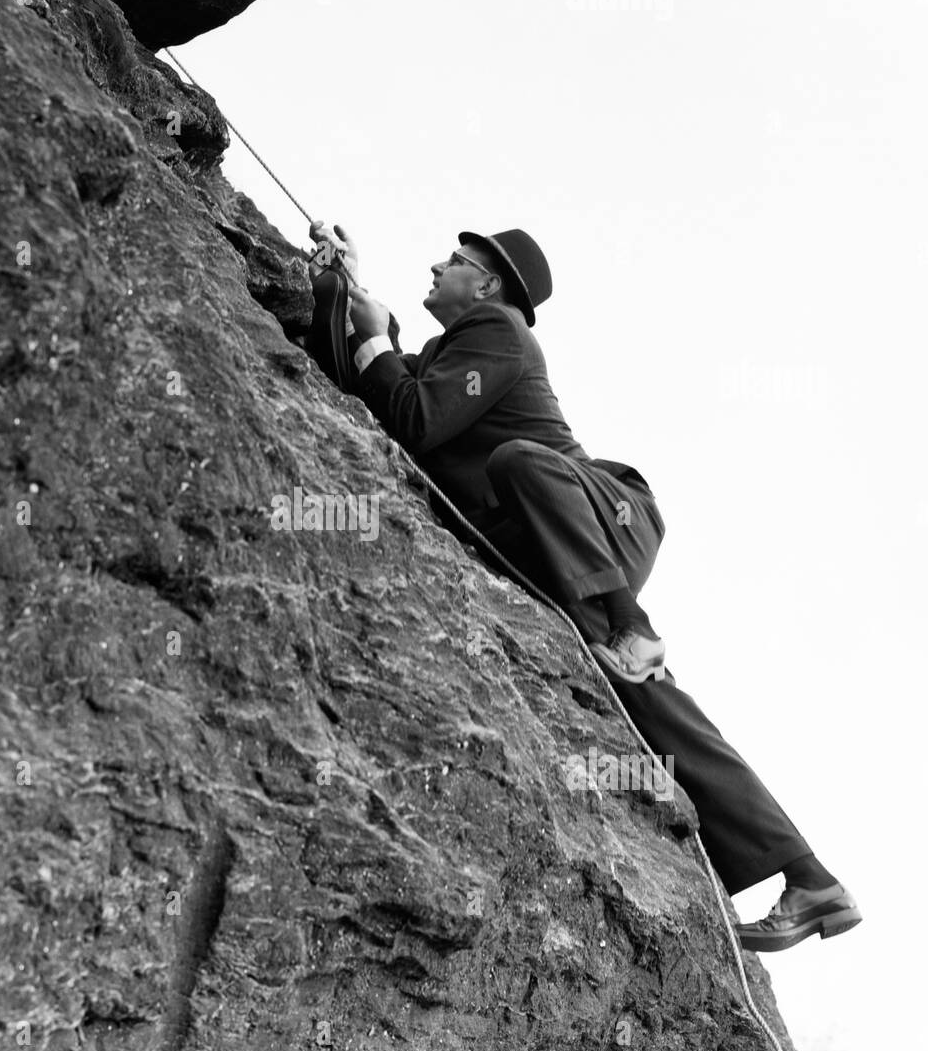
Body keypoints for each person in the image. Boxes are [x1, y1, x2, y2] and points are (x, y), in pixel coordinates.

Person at [307, 221, 860, 953]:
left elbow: (413, 417)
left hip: (602, 515)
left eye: (455, 261)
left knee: (517, 460)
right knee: (655, 708)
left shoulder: (498, 331)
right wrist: (336, 289)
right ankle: (808, 877)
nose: (437, 265)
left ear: (489, 284)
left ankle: (629, 624)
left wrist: (376, 337)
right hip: (556, 547)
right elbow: (371, 385)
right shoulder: (448, 351)